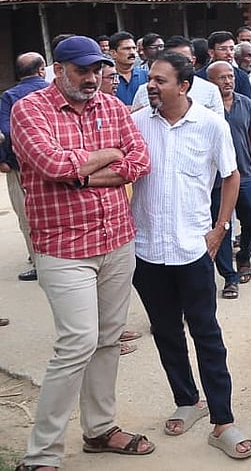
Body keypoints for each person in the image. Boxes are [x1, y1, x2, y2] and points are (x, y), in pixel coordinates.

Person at [10, 36, 154, 467]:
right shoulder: (29, 110)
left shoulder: (111, 106)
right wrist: (108, 155)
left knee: (108, 340)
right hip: (63, 245)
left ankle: (100, 428)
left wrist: (84, 173)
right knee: (77, 342)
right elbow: (52, 165)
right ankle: (42, 452)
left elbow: (140, 160)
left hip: (116, 239)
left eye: (97, 70)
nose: (92, 78)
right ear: (59, 70)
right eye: (82, 70)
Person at [130, 52, 251, 460]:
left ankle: (223, 421)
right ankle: (188, 400)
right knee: (165, 331)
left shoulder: (210, 124)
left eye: (160, 80)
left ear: (183, 86)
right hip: (147, 250)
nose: (151, 85)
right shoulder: (134, 125)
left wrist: (220, 229)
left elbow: (232, 175)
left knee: (206, 335)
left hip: (192, 250)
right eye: (150, 78)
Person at [207, 61, 251, 299]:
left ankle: (244, 257)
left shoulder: (245, 103)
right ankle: (229, 277)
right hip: (218, 179)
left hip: (245, 174)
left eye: (230, 77)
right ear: (210, 82)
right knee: (221, 225)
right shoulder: (205, 108)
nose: (228, 81)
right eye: (222, 78)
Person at [1, 52, 49, 282]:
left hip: (19, 166)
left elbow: (5, 132)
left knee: (27, 215)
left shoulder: (9, 96)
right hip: (56, 164)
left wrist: (3, 158)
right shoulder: (53, 91)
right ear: (42, 70)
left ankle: (40, 264)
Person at [132, 36, 223, 115]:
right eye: (172, 60)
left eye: (184, 60)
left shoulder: (210, 90)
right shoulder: (145, 91)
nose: (178, 65)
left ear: (193, 61)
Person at [195, 32, 251, 101]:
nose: (229, 53)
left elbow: (247, 104)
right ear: (211, 52)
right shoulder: (199, 77)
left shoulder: (241, 76)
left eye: (231, 49)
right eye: (223, 49)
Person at [109, 31, 147, 106]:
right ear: (113, 53)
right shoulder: (107, 79)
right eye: (127, 49)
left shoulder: (146, 75)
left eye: (134, 48)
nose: (132, 52)